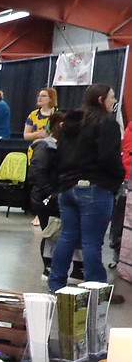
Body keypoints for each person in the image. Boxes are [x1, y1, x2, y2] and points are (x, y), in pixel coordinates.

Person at [47, 84, 124, 292]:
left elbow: (59, 155)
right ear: (101, 100)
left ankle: (56, 284)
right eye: (112, 97)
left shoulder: (71, 123)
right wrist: (118, 178)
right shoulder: (107, 124)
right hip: (95, 188)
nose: (114, 101)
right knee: (91, 242)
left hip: (68, 188)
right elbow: (109, 157)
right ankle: (96, 289)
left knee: (67, 236)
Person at [29, 112, 65, 276]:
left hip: (59, 196)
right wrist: (50, 194)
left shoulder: (66, 146)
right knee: (51, 232)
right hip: (46, 198)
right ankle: (48, 268)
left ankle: (77, 269)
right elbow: (37, 173)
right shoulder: (44, 146)